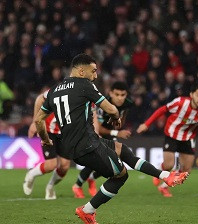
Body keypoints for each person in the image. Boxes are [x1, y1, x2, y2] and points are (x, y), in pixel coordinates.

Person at [34, 53, 188, 224]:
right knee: (120, 176)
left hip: (76, 144)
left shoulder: (54, 90)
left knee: (122, 150)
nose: (96, 75)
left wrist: (45, 139)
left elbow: (38, 119)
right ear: (81, 71)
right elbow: (111, 109)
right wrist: (115, 117)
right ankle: (87, 210)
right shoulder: (85, 85)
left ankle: (165, 175)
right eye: (93, 71)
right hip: (87, 144)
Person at [137, 82, 198, 197]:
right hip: (172, 134)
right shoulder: (180, 102)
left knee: (187, 170)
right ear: (191, 95)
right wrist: (147, 124)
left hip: (188, 137)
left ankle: (164, 187)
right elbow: (163, 109)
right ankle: (159, 171)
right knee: (169, 165)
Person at [72, 81, 133, 198]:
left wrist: (118, 126)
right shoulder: (103, 103)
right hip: (93, 132)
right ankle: (77, 186)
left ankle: (91, 178)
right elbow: (98, 127)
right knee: (94, 161)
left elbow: (122, 119)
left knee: (112, 161)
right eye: (117, 94)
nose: (120, 98)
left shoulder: (128, 104)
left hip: (109, 133)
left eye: (123, 95)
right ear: (110, 93)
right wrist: (117, 132)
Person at [23, 89, 71, 200]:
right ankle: (31, 174)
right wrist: (36, 121)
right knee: (51, 165)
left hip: (66, 133)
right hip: (49, 131)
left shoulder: (86, 92)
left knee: (64, 167)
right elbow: (40, 98)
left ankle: (50, 186)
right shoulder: (60, 89)